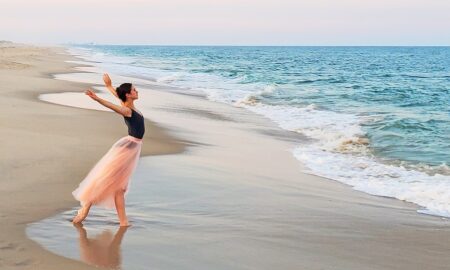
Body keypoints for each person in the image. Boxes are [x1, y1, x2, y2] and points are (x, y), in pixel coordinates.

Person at [72, 73, 145, 226]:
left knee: (119, 187)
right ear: (128, 95)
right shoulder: (127, 110)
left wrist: (108, 86)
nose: (136, 91)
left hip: (131, 147)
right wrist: (97, 99)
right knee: (111, 182)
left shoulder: (129, 106)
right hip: (127, 149)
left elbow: (118, 97)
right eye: (134, 90)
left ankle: (123, 221)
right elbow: (112, 106)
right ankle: (86, 207)